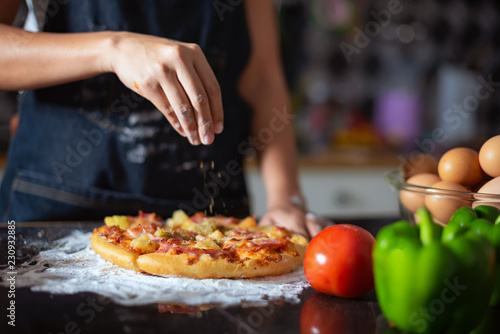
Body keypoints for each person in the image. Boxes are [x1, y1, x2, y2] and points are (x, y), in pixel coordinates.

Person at [0, 0, 320, 237]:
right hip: (54, 209)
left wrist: (285, 197)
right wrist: (113, 49)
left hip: (213, 225)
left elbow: (262, 79)